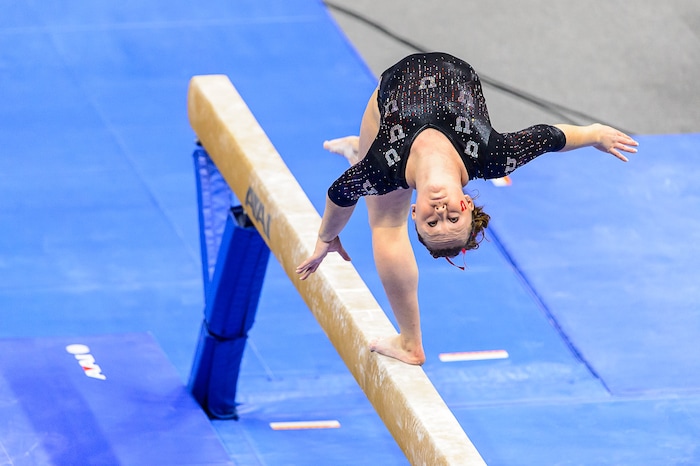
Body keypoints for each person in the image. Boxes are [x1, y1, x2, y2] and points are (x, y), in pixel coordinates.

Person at [295, 52, 638, 365]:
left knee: (384, 219)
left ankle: (410, 342)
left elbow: (339, 193)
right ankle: (360, 151)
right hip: (454, 73)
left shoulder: (384, 169)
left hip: (392, 98)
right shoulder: (492, 156)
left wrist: (327, 236)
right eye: (453, 216)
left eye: (431, 220)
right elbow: (550, 137)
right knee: (371, 180)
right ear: (467, 203)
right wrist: (594, 134)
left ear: (415, 211)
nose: (440, 209)